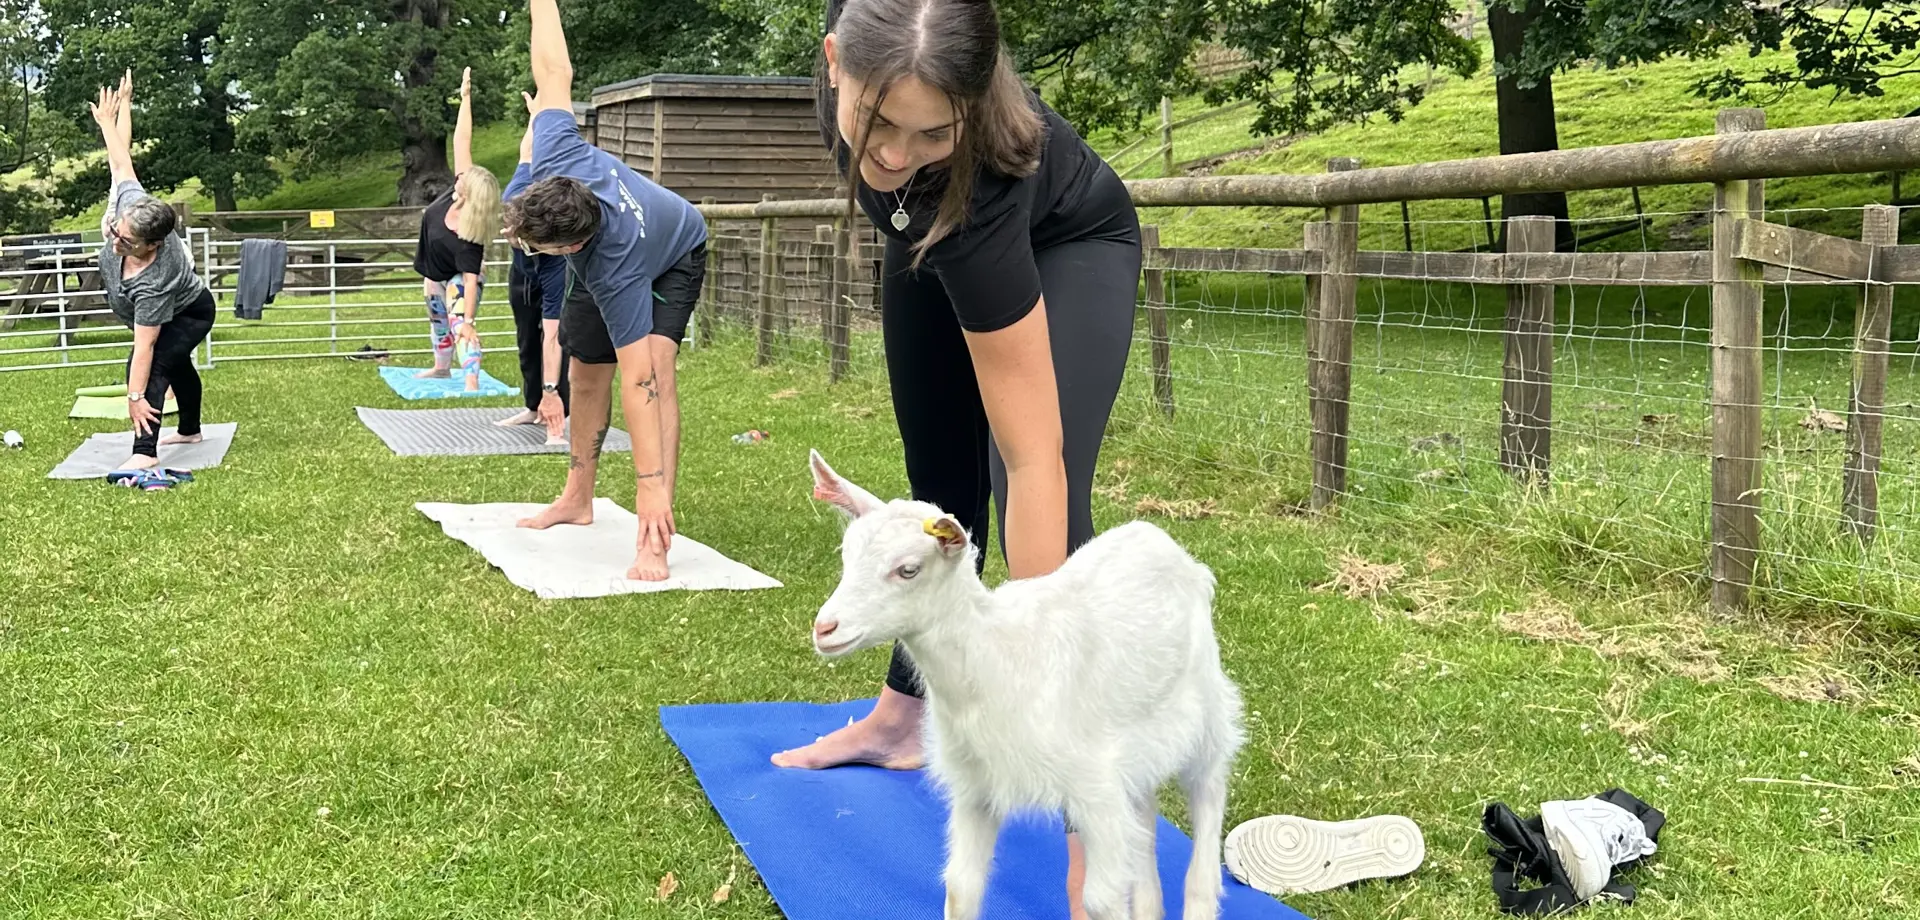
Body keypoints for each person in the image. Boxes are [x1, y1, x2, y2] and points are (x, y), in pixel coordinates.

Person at [767, 0, 1143, 915]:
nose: (892, 152)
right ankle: (903, 721)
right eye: (874, 123)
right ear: (832, 63)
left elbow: (1035, 457)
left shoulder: (983, 189)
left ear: (969, 113)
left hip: (1063, 242)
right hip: (921, 233)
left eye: (929, 131)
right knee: (933, 487)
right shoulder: (865, 44)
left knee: (1022, 486)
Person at [504, 0, 710, 582]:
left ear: (568, 249)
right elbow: (554, 73)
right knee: (584, 372)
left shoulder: (613, 270)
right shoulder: (557, 151)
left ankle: (657, 532)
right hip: (605, 256)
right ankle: (577, 497)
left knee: (657, 370)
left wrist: (645, 488)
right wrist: (543, 5)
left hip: (676, 252)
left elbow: (640, 383)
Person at [88, 70, 217, 472]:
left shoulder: (155, 279)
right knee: (179, 364)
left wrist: (134, 396)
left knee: (153, 365)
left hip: (190, 311)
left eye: (125, 242)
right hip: (172, 306)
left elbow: (144, 348)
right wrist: (115, 115)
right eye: (116, 231)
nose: (115, 242)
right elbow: (120, 159)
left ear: (152, 245)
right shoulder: (134, 206)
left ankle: (145, 450)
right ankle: (191, 430)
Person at [410, 67, 502, 391]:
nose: (458, 177)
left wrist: (470, 321)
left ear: (472, 196)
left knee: (458, 321)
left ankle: (472, 379)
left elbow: (471, 280)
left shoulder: (469, 236)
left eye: (463, 179)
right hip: (435, 273)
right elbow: (461, 138)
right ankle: (441, 368)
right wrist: (465, 98)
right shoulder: (459, 188)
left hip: (461, 277)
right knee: (438, 319)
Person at [496, 108, 575, 443]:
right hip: (523, 275)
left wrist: (550, 389)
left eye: (514, 235)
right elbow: (526, 150)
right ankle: (532, 408)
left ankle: (560, 409)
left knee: (557, 340)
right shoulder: (518, 188)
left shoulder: (555, 255)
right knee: (526, 338)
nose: (504, 234)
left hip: (551, 268)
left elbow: (553, 337)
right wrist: (535, 116)